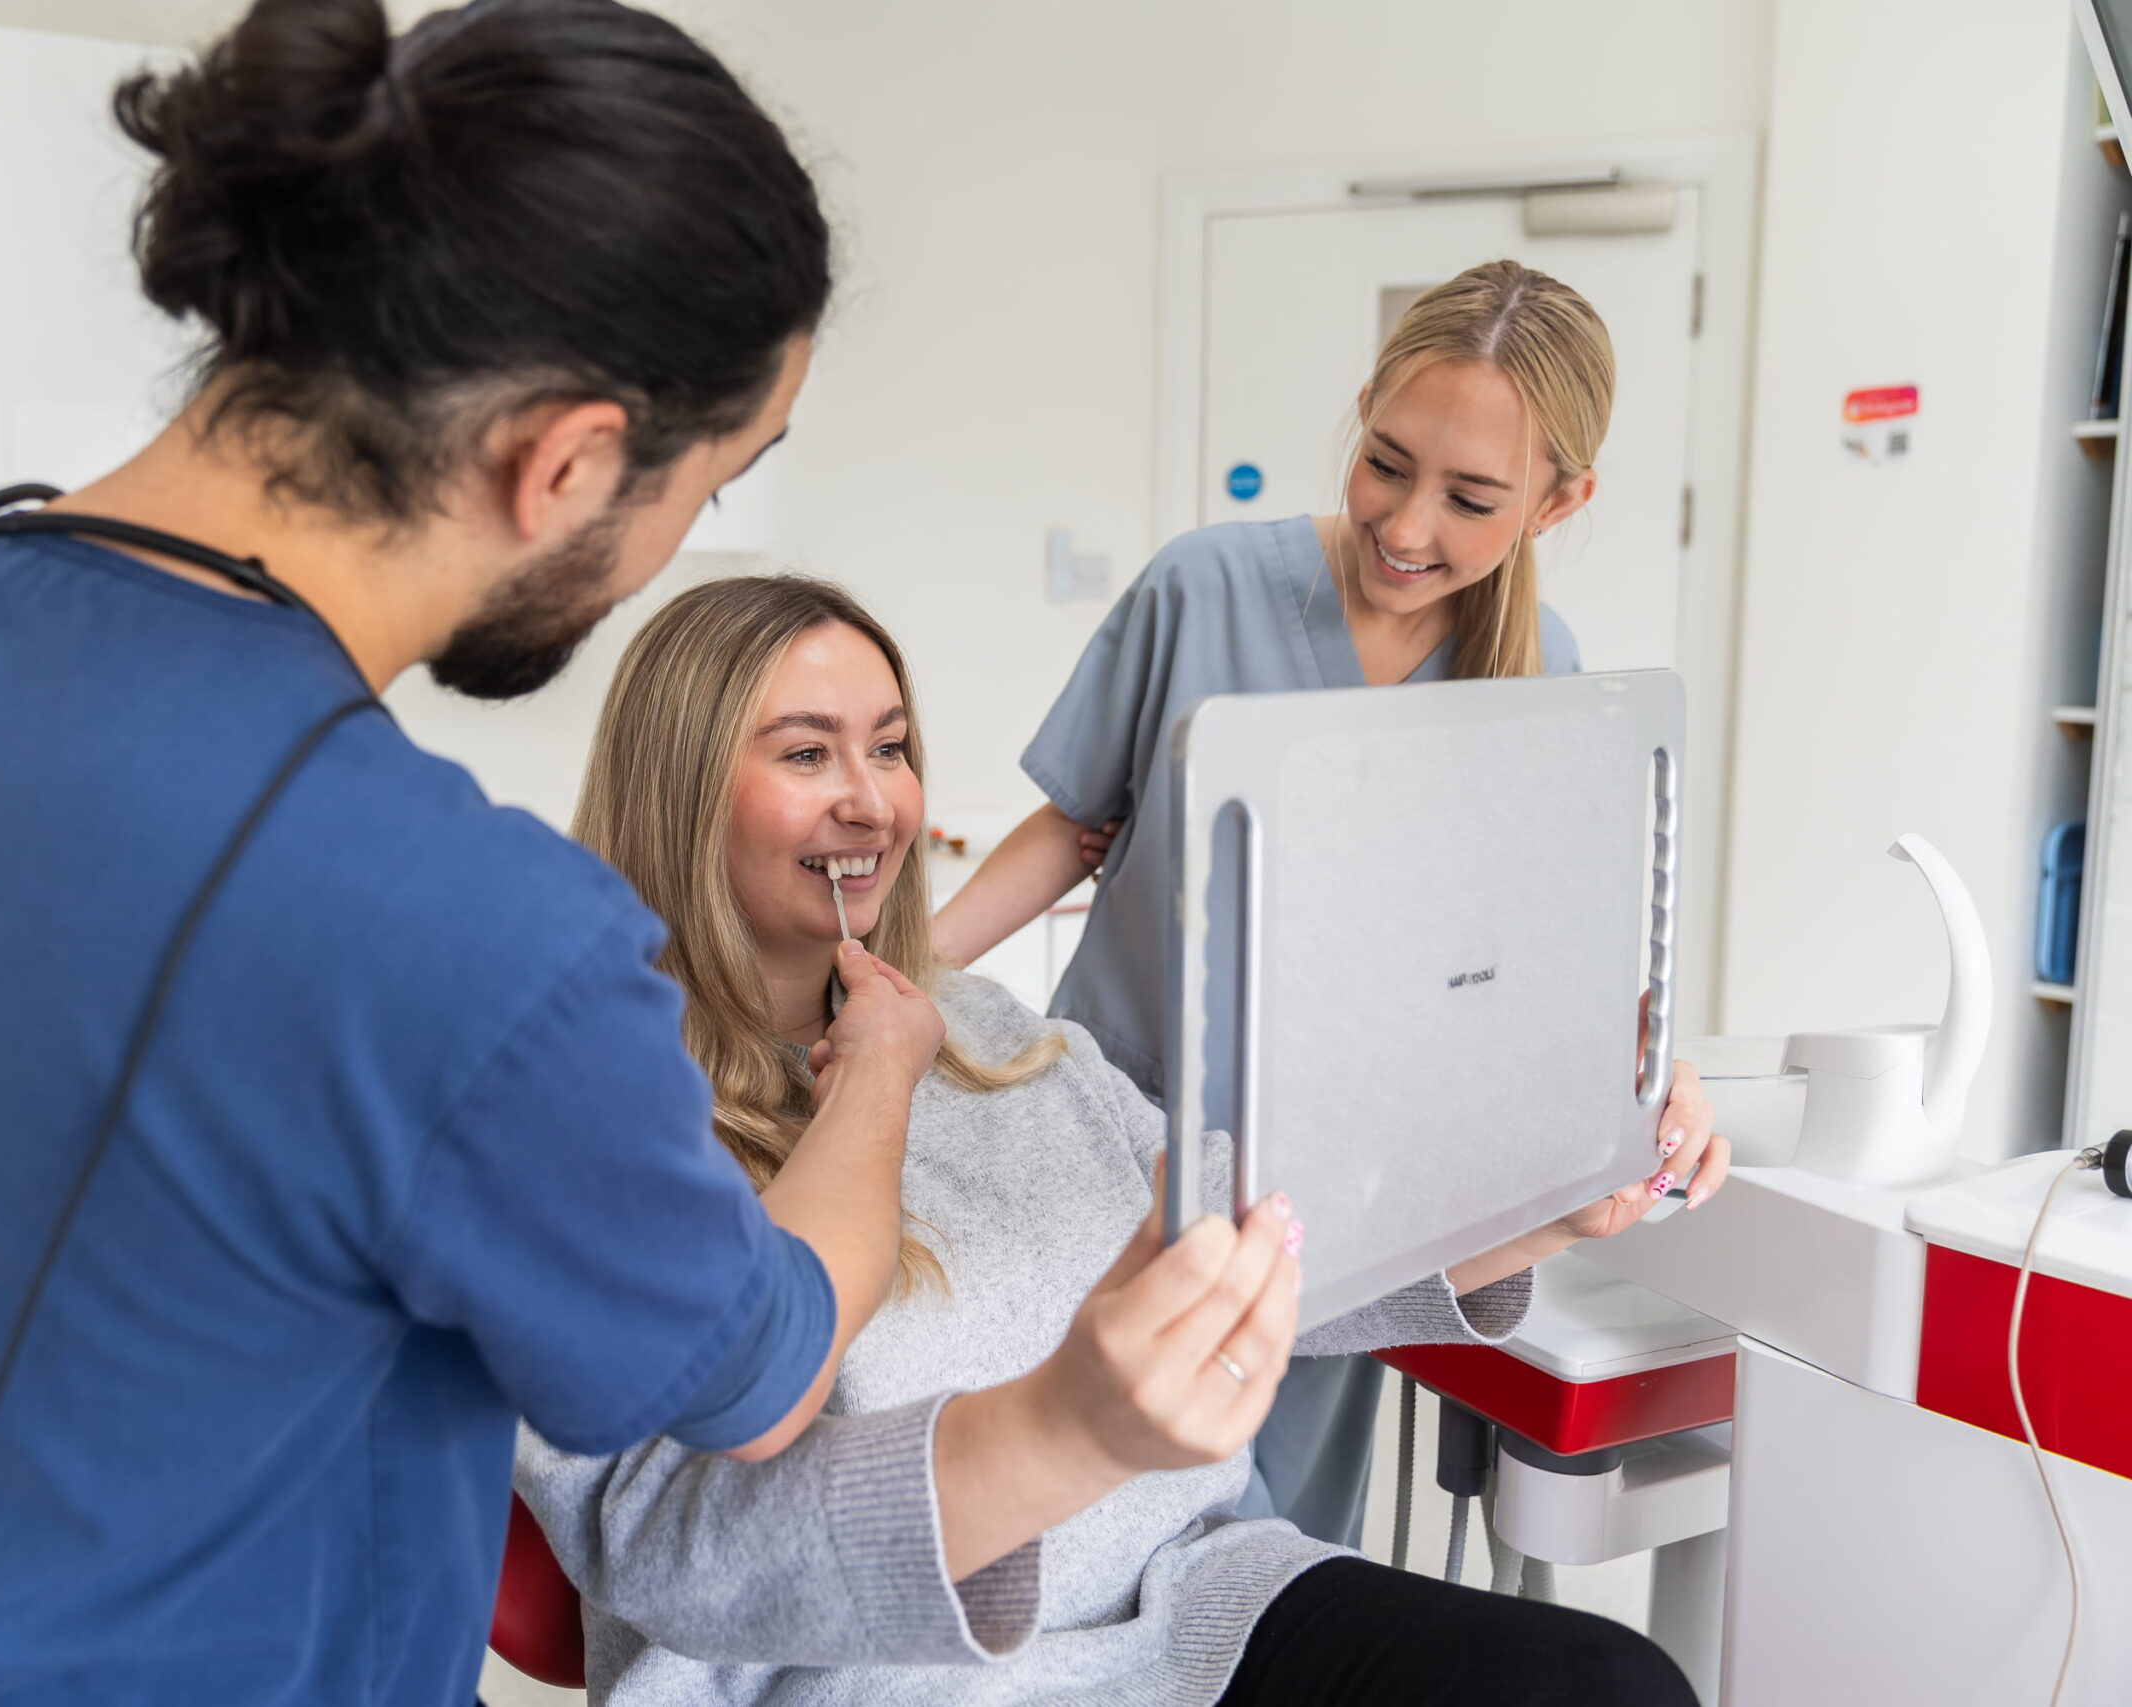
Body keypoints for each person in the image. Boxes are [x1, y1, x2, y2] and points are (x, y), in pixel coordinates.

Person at [0, 4, 941, 1703]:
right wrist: (880, 1069)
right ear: (571, 461)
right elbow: (759, 1380)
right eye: (712, 484)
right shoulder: (465, 926)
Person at [513, 574, 1723, 1706]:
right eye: (804, 753)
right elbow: (668, 1543)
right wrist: (875, 1080)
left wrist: (1547, 1192)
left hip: (1196, 1606)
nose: (871, 801)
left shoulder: (989, 1030)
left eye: (888, 747)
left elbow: (1236, 1229)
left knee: (1609, 1684)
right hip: (882, 1683)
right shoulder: (578, 1125)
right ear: (679, 790)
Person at [931, 260, 1720, 1546]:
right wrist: (892, 980)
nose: (1405, 526)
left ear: (1559, 501)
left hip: (1333, 1206)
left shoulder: (1545, 676)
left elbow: (1527, 959)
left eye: (1471, 499)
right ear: (1360, 414)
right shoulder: (1201, 586)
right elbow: (1078, 826)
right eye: (1385, 464)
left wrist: (1645, 1074)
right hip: (1106, 1148)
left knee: (1270, 1563)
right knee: (1067, 1536)